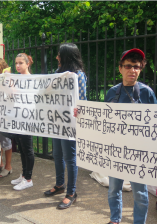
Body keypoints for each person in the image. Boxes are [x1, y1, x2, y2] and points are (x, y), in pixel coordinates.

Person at [105, 49, 157, 224]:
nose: (132, 70)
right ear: (120, 68)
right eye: (128, 66)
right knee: (113, 189)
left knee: (140, 193)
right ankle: (115, 220)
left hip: (138, 152)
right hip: (116, 151)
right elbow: (101, 120)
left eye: (136, 66)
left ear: (141, 69)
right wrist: (80, 114)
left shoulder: (147, 92)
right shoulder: (111, 93)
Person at [43, 43, 87, 209]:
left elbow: (81, 100)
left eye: (59, 55)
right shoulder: (57, 73)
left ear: (66, 57)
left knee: (70, 158)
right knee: (57, 154)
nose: (56, 57)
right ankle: (60, 184)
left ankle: (71, 193)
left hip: (69, 124)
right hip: (56, 121)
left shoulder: (79, 76)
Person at [0, 53, 35, 191]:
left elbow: (16, 94)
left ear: (27, 64)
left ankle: (28, 178)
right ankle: (24, 175)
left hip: (27, 118)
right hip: (17, 117)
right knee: (21, 148)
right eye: (16, 63)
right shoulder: (18, 78)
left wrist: (9, 79)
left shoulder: (30, 79)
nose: (18, 66)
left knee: (27, 149)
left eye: (21, 63)